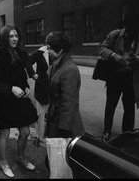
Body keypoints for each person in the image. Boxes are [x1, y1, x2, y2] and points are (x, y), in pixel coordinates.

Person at [98, 0, 139, 142]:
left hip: (133, 79)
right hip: (115, 77)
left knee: (129, 108)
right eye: (127, 29)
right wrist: (115, 56)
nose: (129, 33)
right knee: (110, 105)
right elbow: (101, 48)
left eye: (134, 30)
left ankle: (127, 134)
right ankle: (107, 130)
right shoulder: (115, 34)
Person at [0, 25, 38, 178]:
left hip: (18, 98)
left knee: (25, 131)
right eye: (11, 36)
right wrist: (10, 88)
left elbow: (21, 75)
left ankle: (20, 158)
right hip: (2, 99)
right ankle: (3, 162)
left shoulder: (19, 52)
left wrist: (26, 86)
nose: (14, 39)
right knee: (5, 133)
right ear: (4, 38)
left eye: (16, 36)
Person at [44, 31, 85, 178]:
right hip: (55, 118)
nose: (47, 51)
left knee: (63, 158)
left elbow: (69, 103)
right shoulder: (56, 65)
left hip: (64, 123)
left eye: (49, 48)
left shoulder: (69, 69)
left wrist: (63, 129)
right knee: (55, 156)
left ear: (60, 50)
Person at [28, 45, 50, 146]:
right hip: (42, 87)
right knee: (40, 113)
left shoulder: (59, 52)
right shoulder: (40, 52)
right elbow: (28, 62)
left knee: (51, 113)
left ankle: (49, 136)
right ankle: (38, 136)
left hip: (54, 88)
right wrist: (32, 74)